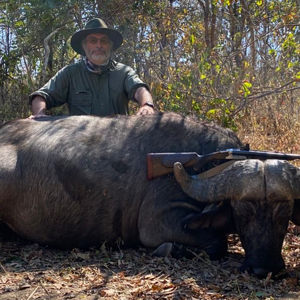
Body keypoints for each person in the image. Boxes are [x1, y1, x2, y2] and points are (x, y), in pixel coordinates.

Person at [28, 18, 155, 118]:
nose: (99, 45)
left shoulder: (124, 72)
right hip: (81, 144)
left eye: (104, 41)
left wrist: (147, 105)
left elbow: (140, 90)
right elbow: (41, 96)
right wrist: (40, 116)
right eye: (93, 40)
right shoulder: (70, 73)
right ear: (84, 46)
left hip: (117, 143)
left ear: (110, 46)